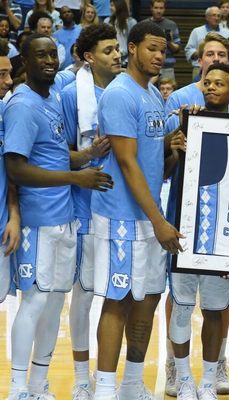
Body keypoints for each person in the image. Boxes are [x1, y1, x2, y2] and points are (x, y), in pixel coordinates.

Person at [4, 32, 112, 399]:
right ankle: (18, 387)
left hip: (63, 216)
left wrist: (86, 156)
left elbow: (50, 156)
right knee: (33, 302)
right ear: (26, 62)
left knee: (52, 305)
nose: (49, 60)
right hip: (37, 221)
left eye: (53, 54)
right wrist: (74, 176)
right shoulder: (22, 105)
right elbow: (16, 168)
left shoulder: (48, 100)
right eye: (40, 55)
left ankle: (38, 385)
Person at [91, 20, 183, 400]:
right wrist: (159, 221)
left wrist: (170, 146)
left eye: (163, 50)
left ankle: (131, 383)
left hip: (147, 212)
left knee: (147, 298)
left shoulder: (153, 95)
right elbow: (127, 164)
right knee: (118, 300)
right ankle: (105, 390)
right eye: (151, 48)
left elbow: (149, 159)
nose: (159, 56)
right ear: (132, 49)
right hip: (122, 216)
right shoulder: (120, 94)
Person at [164, 31, 229, 398]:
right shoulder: (186, 119)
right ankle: (182, 375)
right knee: (181, 307)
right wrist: (175, 142)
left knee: (215, 309)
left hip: (223, 233)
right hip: (185, 227)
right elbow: (162, 170)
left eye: (221, 83)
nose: (213, 87)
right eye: (208, 82)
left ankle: (207, 378)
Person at [61, 23, 121, 400]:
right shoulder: (70, 96)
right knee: (84, 296)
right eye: (109, 50)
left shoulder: (130, 90)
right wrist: (87, 157)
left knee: (120, 297)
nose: (117, 55)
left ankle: (118, 379)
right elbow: (54, 155)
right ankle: (83, 379)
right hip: (84, 207)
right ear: (88, 56)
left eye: (118, 49)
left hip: (123, 206)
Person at [0, 37, 19, 313]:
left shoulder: (7, 111)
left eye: (9, 73)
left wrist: (14, 214)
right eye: (2, 74)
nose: (9, 81)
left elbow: (13, 168)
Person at [185, 6, 227, 77]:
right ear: (207, 17)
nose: (216, 18)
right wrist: (203, 53)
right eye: (214, 15)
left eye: (218, 16)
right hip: (199, 68)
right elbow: (189, 50)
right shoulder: (197, 31)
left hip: (220, 69)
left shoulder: (226, 32)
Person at [149, 0, 180, 80]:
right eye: (156, 8)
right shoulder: (145, 25)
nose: (159, 11)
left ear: (164, 9)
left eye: (161, 8)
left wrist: (169, 42)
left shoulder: (171, 25)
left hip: (167, 68)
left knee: (168, 92)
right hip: (149, 67)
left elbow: (177, 49)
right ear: (151, 8)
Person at [104, 0, 136, 64]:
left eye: (112, 6)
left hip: (127, 58)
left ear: (119, 6)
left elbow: (134, 41)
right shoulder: (107, 22)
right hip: (112, 56)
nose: (110, 8)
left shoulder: (131, 22)